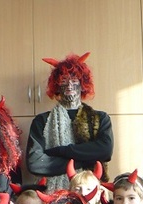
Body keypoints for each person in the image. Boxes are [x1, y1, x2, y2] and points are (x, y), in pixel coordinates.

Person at [26, 52, 113, 192]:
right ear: (56, 86)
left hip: (90, 192)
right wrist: (85, 159)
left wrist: (59, 151)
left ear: (83, 84)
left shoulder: (100, 118)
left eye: (74, 79)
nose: (69, 85)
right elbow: (35, 163)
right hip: (52, 193)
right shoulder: (42, 121)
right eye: (63, 80)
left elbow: (105, 151)